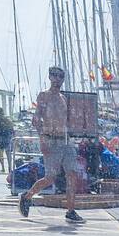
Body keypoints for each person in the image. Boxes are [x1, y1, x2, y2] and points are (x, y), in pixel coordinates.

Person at [19, 66, 85, 224]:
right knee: (50, 177)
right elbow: (37, 119)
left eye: (60, 76)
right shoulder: (44, 96)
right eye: (54, 75)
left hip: (65, 140)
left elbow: (66, 120)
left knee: (72, 174)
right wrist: (42, 138)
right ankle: (27, 196)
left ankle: (70, 210)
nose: (57, 79)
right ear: (49, 77)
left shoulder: (63, 98)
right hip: (51, 140)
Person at [0, 106, 14, 173]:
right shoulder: (6, 118)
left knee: (0, 153)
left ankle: (3, 167)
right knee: (8, 153)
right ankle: (10, 167)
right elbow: (11, 127)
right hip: (7, 137)